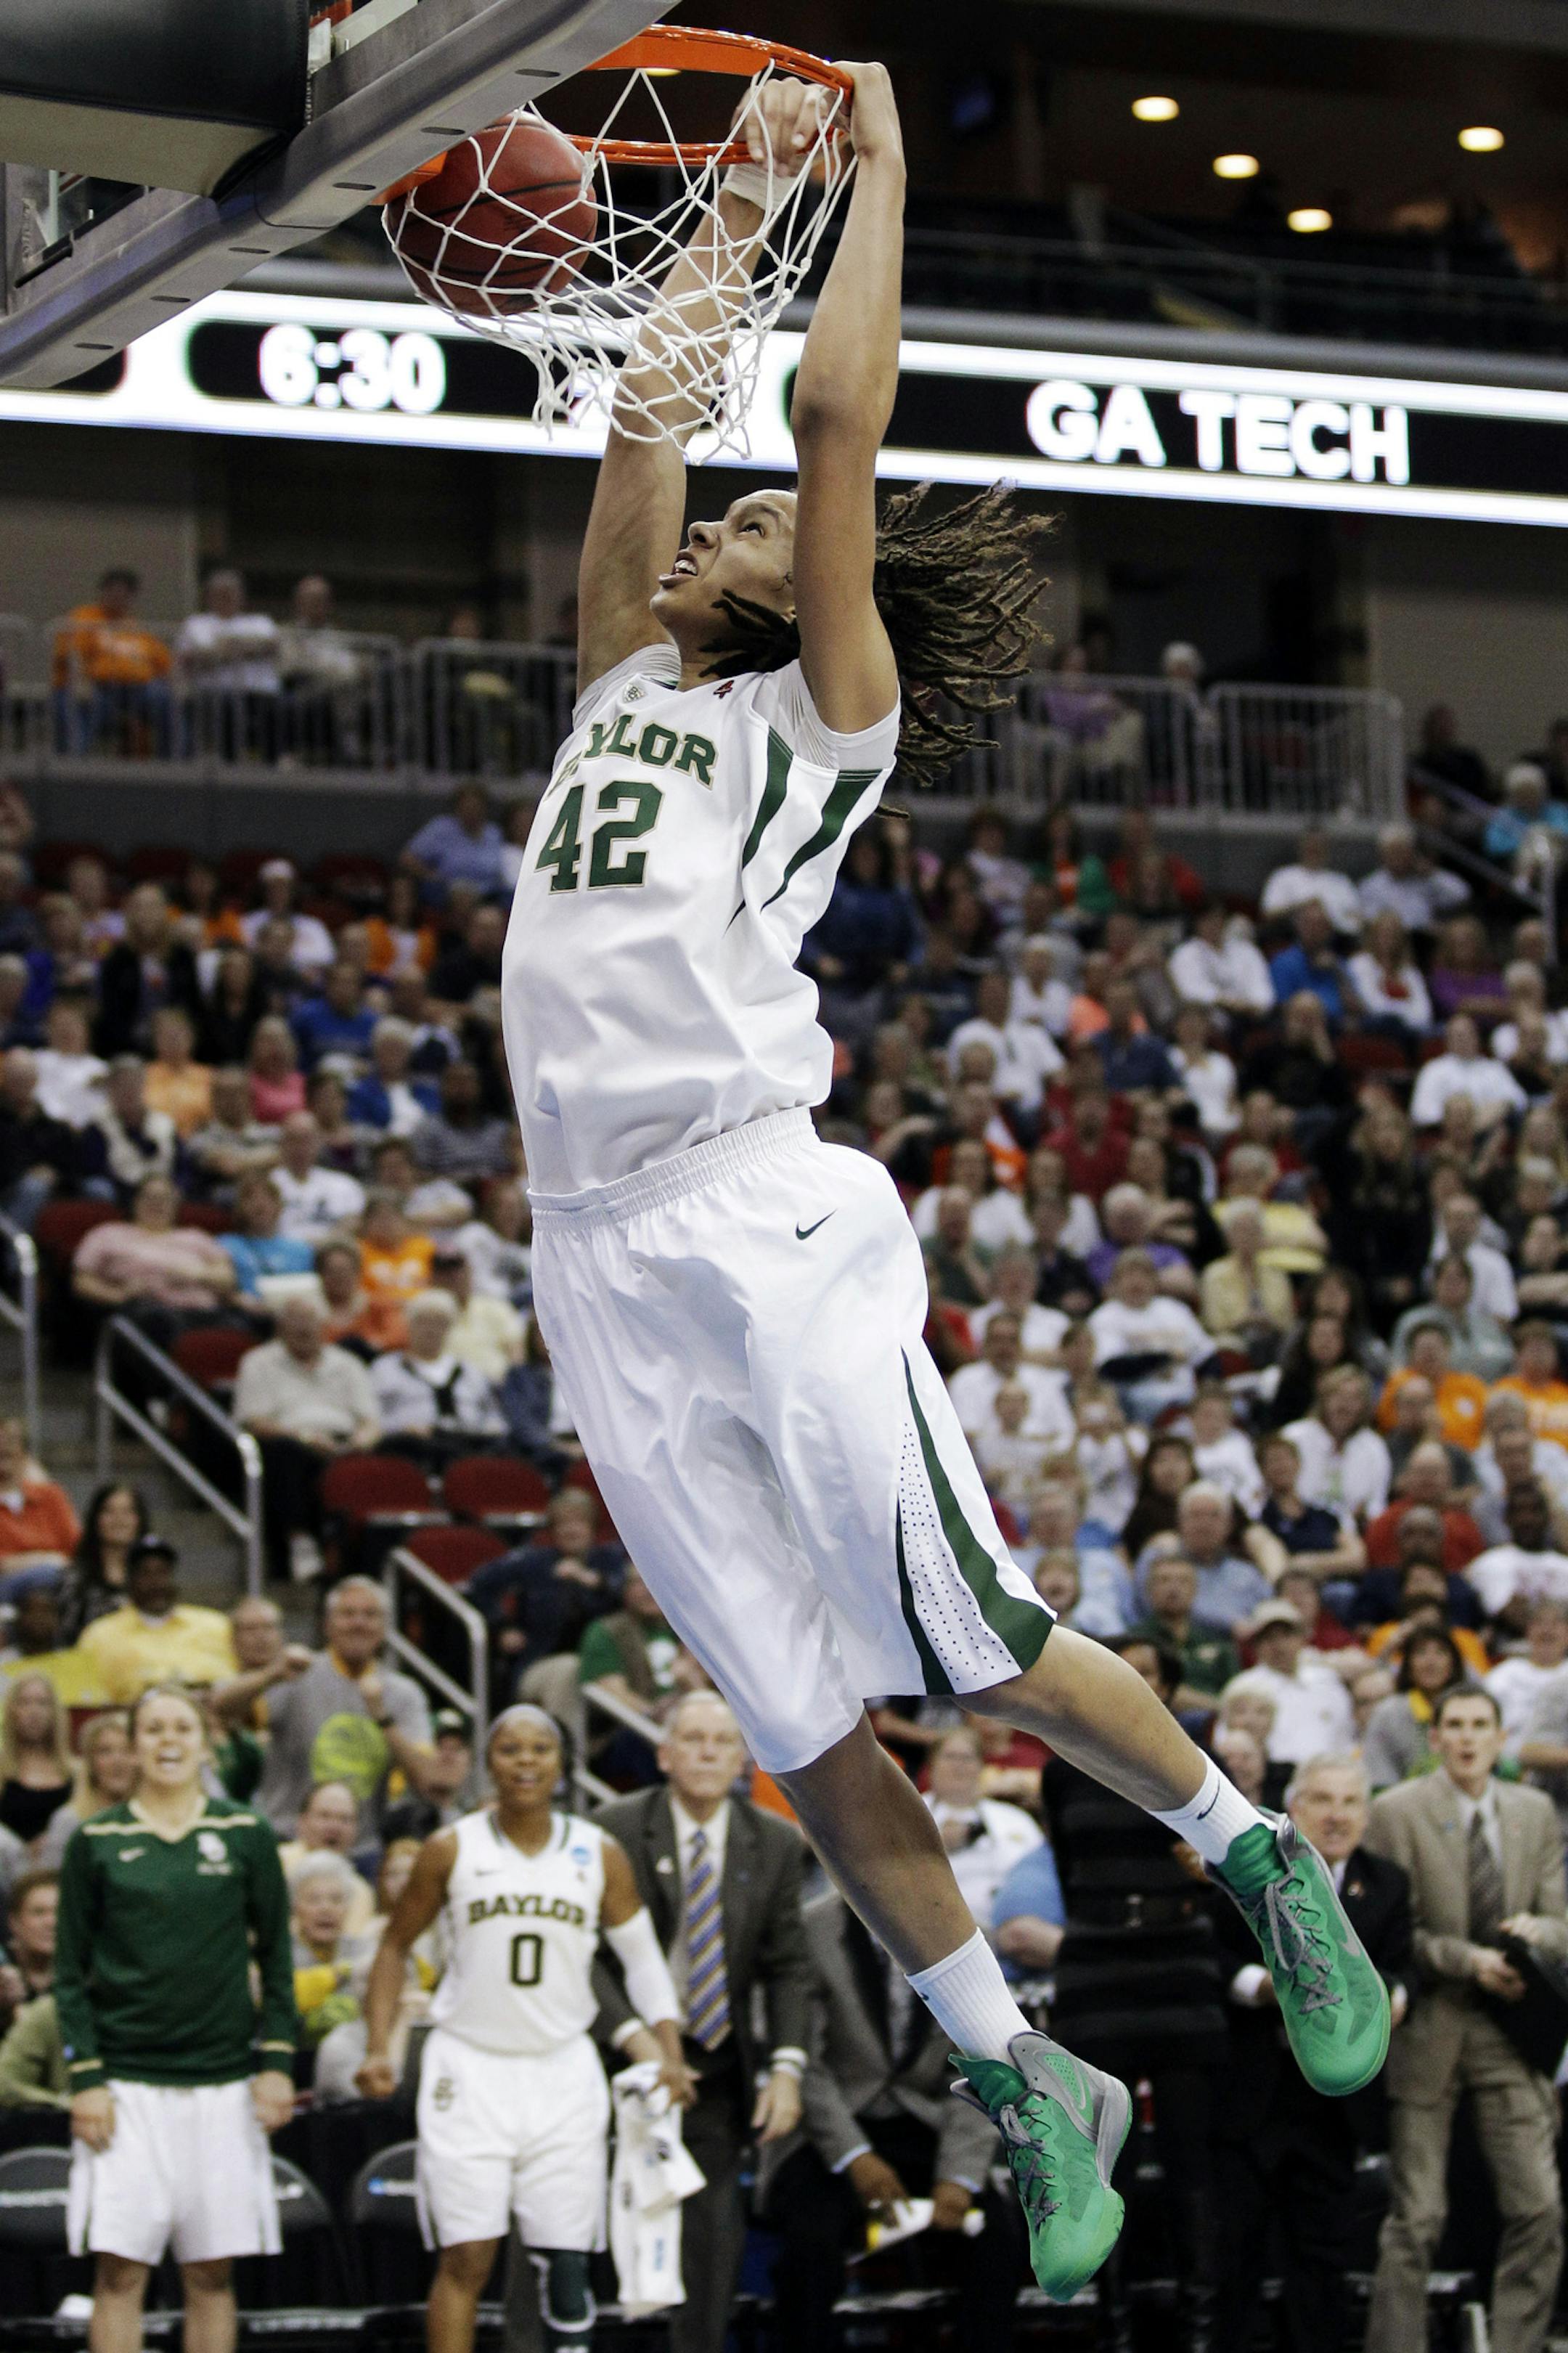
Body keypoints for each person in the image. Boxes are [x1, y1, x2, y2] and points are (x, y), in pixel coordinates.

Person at [497, 60, 1387, 2304]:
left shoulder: (822, 712)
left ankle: (1253, 1842)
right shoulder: (626, 677)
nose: (713, 528)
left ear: (830, 583)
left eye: (759, 528)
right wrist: (727, 205)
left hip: (758, 1213)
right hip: (595, 1256)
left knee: (968, 1642)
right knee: (800, 1728)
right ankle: (1026, 2076)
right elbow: (652, 430)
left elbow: (821, 435)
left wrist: (871, 174)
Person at [356, 1705, 687, 2353]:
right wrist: (377, 2046)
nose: (527, 1761)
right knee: (467, 2257)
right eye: (511, 1749)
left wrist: (670, 2051)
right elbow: (394, 1946)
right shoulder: (452, 1847)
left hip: (563, 2068)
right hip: (470, 2067)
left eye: (541, 1748)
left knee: (566, 2259)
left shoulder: (599, 1852)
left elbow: (644, 1958)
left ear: (563, 1765)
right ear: (490, 1761)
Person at [54, 1685, 295, 2352]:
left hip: (224, 2087)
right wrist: (88, 2077)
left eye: (182, 1727)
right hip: (125, 2089)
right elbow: (68, 1974)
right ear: (131, 1745)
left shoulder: (245, 1832)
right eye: (153, 1727)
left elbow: (278, 1958)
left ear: (205, 1739)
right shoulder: (96, 1840)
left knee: (211, 2276)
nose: (168, 1740)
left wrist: (276, 2061)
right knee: (120, 2273)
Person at [593, 1692, 809, 2353]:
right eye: (693, 1739)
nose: (709, 1752)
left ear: (743, 1758)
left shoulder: (773, 1840)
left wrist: (788, 2067)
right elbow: (587, 1955)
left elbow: (788, 1965)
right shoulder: (615, 1830)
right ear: (664, 1754)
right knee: (614, 2233)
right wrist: (636, 2038)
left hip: (716, 2063)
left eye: (723, 1741)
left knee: (713, 2244)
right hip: (618, 2062)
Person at [1363, 1687, 1567, 2353]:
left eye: (1482, 1724)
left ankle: (1516, 2343)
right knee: (1417, 2216)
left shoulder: (1536, 1811)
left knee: (1539, 2205)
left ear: (1501, 1736)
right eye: (1456, 1725)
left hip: (1511, 2028)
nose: (1469, 1737)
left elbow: (1562, 1921)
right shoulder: (1395, 1811)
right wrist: (1466, 1958)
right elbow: (1395, 1933)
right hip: (1431, 2025)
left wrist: (1539, 1931)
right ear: (1438, 1739)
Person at [1216, 1753, 1413, 2353]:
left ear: (1367, 1812)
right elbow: (1214, 1958)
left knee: (1322, 2257)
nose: (1336, 1815)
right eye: (1323, 1800)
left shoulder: (1387, 1882)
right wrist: (1267, 1987)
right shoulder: (1247, 1868)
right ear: (1294, 1809)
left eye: (1351, 1802)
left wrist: (1394, 1998)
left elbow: (1400, 1969)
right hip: (1252, 2091)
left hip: (1333, 2107)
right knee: (1235, 2253)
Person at [219, 1575, 437, 1845]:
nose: (359, 1623)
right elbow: (221, 1708)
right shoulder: (298, 1673)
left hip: (362, 1849)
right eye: (348, 1614)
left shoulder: (404, 1693)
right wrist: (272, 1674)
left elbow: (430, 1782)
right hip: (288, 1839)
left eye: (370, 1615)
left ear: (384, 1629)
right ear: (327, 1626)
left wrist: (383, 1718)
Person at [233, 1296, 381, 1581]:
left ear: (324, 1325)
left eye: (310, 1321)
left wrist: (358, 1444)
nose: (304, 1329)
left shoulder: (348, 1364)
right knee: (284, 1454)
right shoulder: (258, 1362)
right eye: (295, 1321)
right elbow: (253, 1421)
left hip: (345, 1444)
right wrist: (305, 1437)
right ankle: (299, 1540)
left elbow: (371, 1421)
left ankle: (365, 1561)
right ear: (280, 1327)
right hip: (289, 1441)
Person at [76, 1536, 237, 1705]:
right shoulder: (99, 1635)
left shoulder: (216, 1625)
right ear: (130, 1580)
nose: (156, 1582)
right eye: (145, 1573)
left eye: (162, 1572)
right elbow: (88, 1699)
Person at [921, 1724, 1043, 1925]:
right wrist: (933, 1846)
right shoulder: (910, 1814)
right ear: (932, 1764)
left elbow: (1039, 1871)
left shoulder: (1014, 1818)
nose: (959, 1766)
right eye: (950, 1757)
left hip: (1010, 1924)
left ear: (981, 1766)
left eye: (967, 1758)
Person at [0, 1673, 76, 1848]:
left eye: (42, 1703)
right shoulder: (2, 1770)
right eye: (24, 1703)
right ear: (12, 1710)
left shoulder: (76, 1772)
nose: (34, 1712)